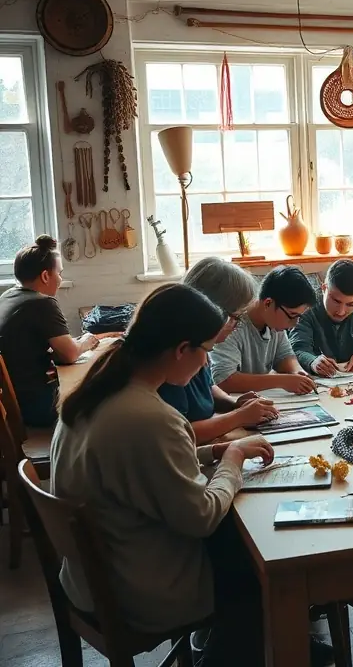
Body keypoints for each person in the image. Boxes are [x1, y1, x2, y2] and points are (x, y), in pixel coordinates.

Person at [50, 284, 275, 665]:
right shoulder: (149, 416)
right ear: (181, 349)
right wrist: (234, 458)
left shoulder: (97, 390)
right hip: (138, 589)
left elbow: (143, 466)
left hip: (91, 578)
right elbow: (200, 516)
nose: (206, 363)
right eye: (204, 350)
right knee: (257, 571)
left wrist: (213, 451)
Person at [159, 257, 278, 443]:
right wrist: (239, 416)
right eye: (236, 318)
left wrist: (235, 404)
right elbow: (180, 435)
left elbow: (208, 387)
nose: (235, 326)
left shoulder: (200, 347)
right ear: (213, 310)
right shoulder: (177, 358)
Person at [0, 235, 97, 427]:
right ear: (45, 276)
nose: (60, 279)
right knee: (102, 399)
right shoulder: (42, 303)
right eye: (59, 273)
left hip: (10, 402)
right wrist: (87, 340)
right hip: (31, 404)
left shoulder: (8, 295)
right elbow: (69, 354)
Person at [210, 265, 317, 395]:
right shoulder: (231, 325)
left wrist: (297, 372)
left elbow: (284, 355)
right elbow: (223, 380)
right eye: (292, 316)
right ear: (268, 303)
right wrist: (283, 381)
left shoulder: (274, 323)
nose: (294, 324)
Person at [290, 259, 353, 376]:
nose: (341, 312)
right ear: (324, 288)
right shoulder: (305, 307)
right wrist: (312, 362)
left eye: (351, 304)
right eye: (336, 301)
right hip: (313, 382)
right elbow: (296, 349)